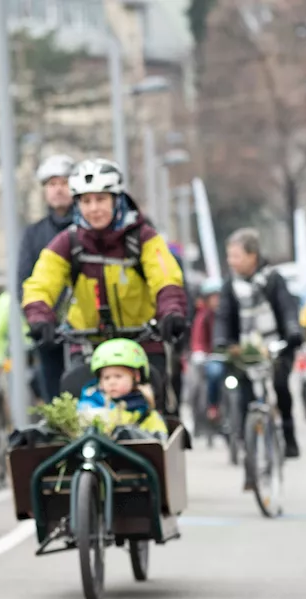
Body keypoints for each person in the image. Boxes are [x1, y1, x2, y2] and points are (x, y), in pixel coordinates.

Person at [20, 157, 190, 411]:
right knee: (78, 415)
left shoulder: (143, 237)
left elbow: (165, 276)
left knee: (156, 411)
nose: (94, 208)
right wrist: (39, 316)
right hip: (88, 344)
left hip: (141, 340)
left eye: (101, 199)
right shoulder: (68, 242)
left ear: (117, 199)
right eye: (86, 201)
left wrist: (171, 311)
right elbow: (41, 282)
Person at [214, 227, 305, 459]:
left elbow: (286, 308)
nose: (231, 261)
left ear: (252, 256)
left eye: (236, 256)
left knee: (281, 387)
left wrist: (293, 330)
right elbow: (224, 315)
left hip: (275, 345)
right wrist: (221, 340)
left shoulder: (274, 279)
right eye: (229, 256)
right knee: (243, 394)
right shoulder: (229, 285)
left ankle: (288, 435)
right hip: (244, 349)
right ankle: (247, 443)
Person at [18, 154, 77, 401]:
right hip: (49, 329)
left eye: (63, 183)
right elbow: (25, 279)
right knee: (53, 392)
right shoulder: (34, 233)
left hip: (88, 326)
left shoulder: (88, 228)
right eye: (52, 184)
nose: (58, 190)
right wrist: (38, 319)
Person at [76, 338, 169, 441]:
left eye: (118, 376)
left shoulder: (145, 410)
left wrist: (132, 434)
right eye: (106, 378)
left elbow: (159, 441)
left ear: (136, 376)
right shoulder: (91, 403)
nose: (112, 382)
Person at [190, 278, 225, 420]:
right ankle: (213, 405)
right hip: (212, 357)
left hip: (232, 356)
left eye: (219, 296)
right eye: (213, 297)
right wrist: (199, 352)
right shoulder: (203, 316)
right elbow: (198, 338)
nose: (217, 300)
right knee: (214, 373)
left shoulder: (228, 313)